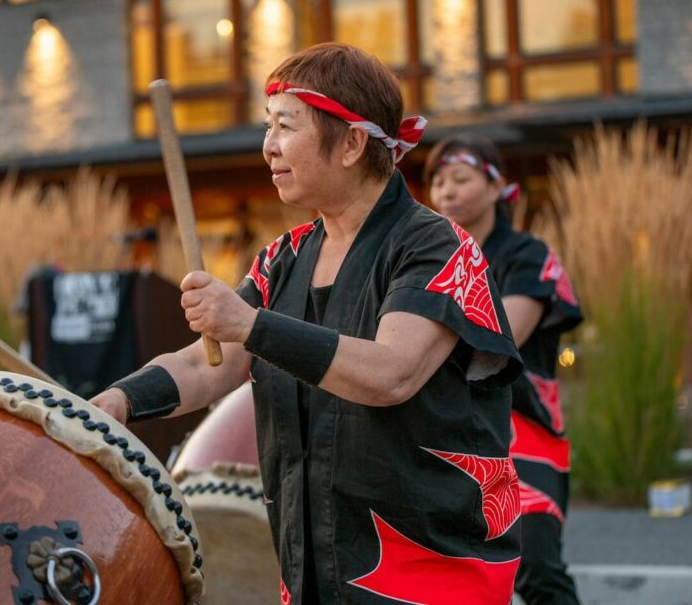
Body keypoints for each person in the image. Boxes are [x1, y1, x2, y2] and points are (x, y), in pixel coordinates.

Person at [92, 43, 524, 604]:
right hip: (312, 565)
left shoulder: (437, 247)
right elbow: (208, 363)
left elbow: (391, 373)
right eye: (267, 126)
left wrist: (250, 325)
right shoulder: (283, 259)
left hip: (429, 572)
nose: (268, 146)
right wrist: (119, 402)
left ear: (351, 143)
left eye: (285, 126)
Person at [426, 135, 583, 605]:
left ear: (496, 188)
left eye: (460, 178)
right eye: (436, 182)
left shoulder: (526, 256)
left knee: (536, 568)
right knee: (447, 578)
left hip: (523, 434)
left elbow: (501, 337)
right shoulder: (425, 256)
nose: (445, 191)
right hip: (441, 430)